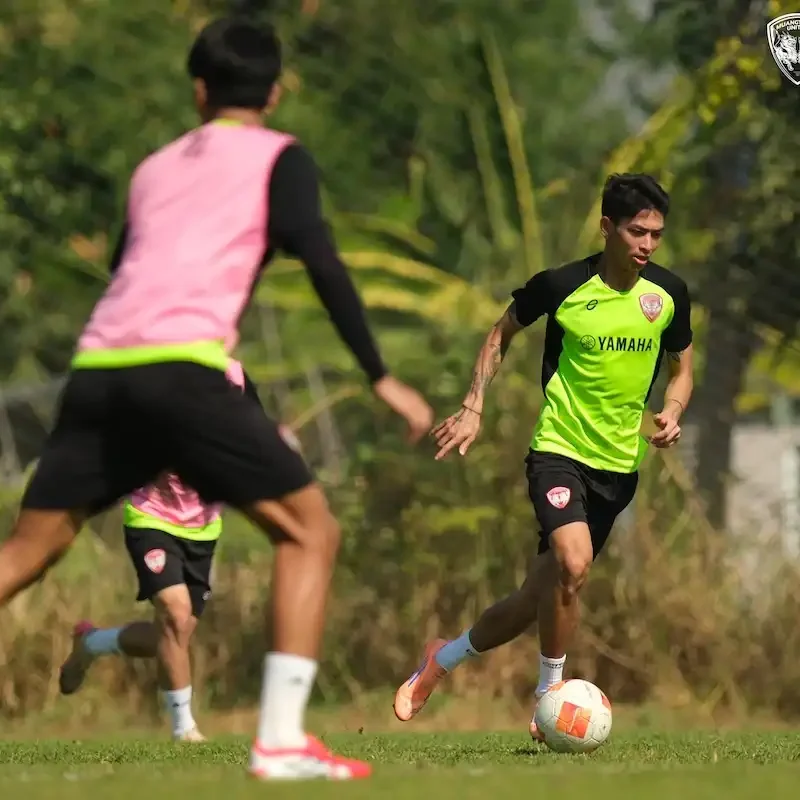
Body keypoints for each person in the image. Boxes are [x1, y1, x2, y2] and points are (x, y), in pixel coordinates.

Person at [0, 16, 433, 781]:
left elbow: (126, 266)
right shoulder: (280, 158)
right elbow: (324, 263)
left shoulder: (152, 167)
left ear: (198, 91)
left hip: (100, 365)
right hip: (184, 371)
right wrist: (380, 375)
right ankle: (280, 742)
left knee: (26, 554)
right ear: (274, 90)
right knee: (309, 532)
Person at [393, 173, 693, 740]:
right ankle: (548, 700)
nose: (648, 244)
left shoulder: (668, 294)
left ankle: (441, 659)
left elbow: (683, 369)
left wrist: (673, 411)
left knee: (540, 596)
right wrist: (474, 404)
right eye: (637, 231)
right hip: (558, 449)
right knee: (572, 562)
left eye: (656, 234)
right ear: (607, 227)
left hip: (618, 467)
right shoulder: (561, 285)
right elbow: (500, 333)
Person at [58, 357, 264, 743]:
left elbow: (255, 435)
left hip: (204, 526)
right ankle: (184, 729)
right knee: (174, 611)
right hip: (151, 516)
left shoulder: (234, 375)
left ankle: (92, 644)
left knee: (174, 635)